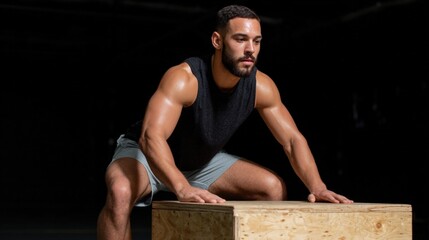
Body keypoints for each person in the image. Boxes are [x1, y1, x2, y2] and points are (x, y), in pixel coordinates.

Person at [97, 4, 353, 240]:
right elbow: (151, 137)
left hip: (199, 162)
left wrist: (317, 187)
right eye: (240, 39)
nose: (250, 49)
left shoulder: (261, 87)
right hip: (146, 157)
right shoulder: (185, 78)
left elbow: (292, 139)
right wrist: (182, 188)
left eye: (256, 41)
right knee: (120, 192)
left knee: (272, 188)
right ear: (217, 40)